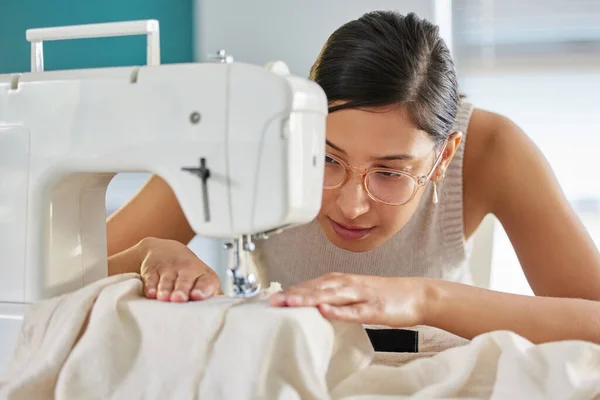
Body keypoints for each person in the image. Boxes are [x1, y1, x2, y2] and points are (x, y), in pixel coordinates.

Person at [107, 11, 600, 347]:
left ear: (445, 156)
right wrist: (149, 251)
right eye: (326, 158)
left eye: (389, 172)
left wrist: (423, 298)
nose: (351, 205)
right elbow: (52, 281)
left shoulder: (493, 148)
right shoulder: (249, 127)